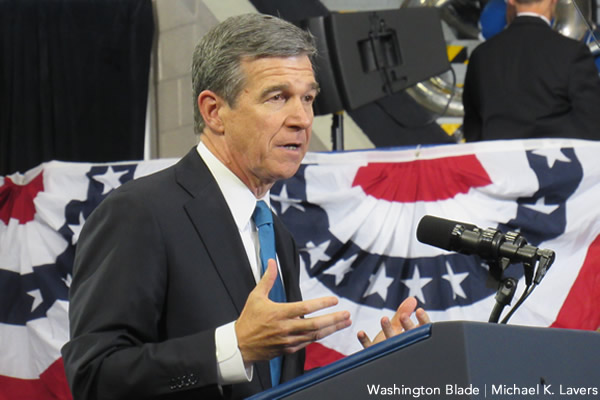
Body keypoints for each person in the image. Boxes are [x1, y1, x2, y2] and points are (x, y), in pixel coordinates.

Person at [61, 13, 429, 400]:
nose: (302, 119)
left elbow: (272, 389)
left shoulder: (277, 236)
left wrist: (369, 370)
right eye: (277, 97)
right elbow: (94, 375)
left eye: (307, 98)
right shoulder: (139, 213)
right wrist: (231, 347)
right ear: (214, 112)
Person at [462, 0, 600, 141]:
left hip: (495, 160)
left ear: (510, 1)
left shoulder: (481, 55)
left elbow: (473, 127)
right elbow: (592, 122)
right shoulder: (573, 52)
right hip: (556, 160)